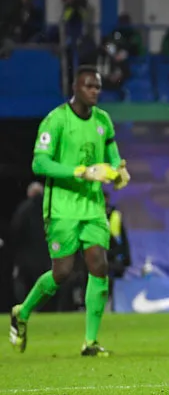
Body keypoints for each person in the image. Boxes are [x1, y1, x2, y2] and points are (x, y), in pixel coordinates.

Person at [9, 65, 131, 356]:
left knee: (98, 265)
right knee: (62, 272)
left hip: (92, 206)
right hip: (62, 207)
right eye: (89, 86)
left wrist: (119, 170)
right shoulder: (56, 120)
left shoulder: (103, 120)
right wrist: (81, 171)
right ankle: (22, 312)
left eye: (98, 87)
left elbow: (113, 156)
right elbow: (40, 164)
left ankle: (90, 342)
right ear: (75, 89)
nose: (95, 92)